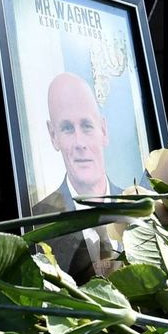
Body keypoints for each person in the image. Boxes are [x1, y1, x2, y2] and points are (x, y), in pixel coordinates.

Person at [32, 72, 123, 277]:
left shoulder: (142, 208)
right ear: (53, 136)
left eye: (87, 126)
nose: (79, 143)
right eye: (67, 128)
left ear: (104, 130)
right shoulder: (36, 223)